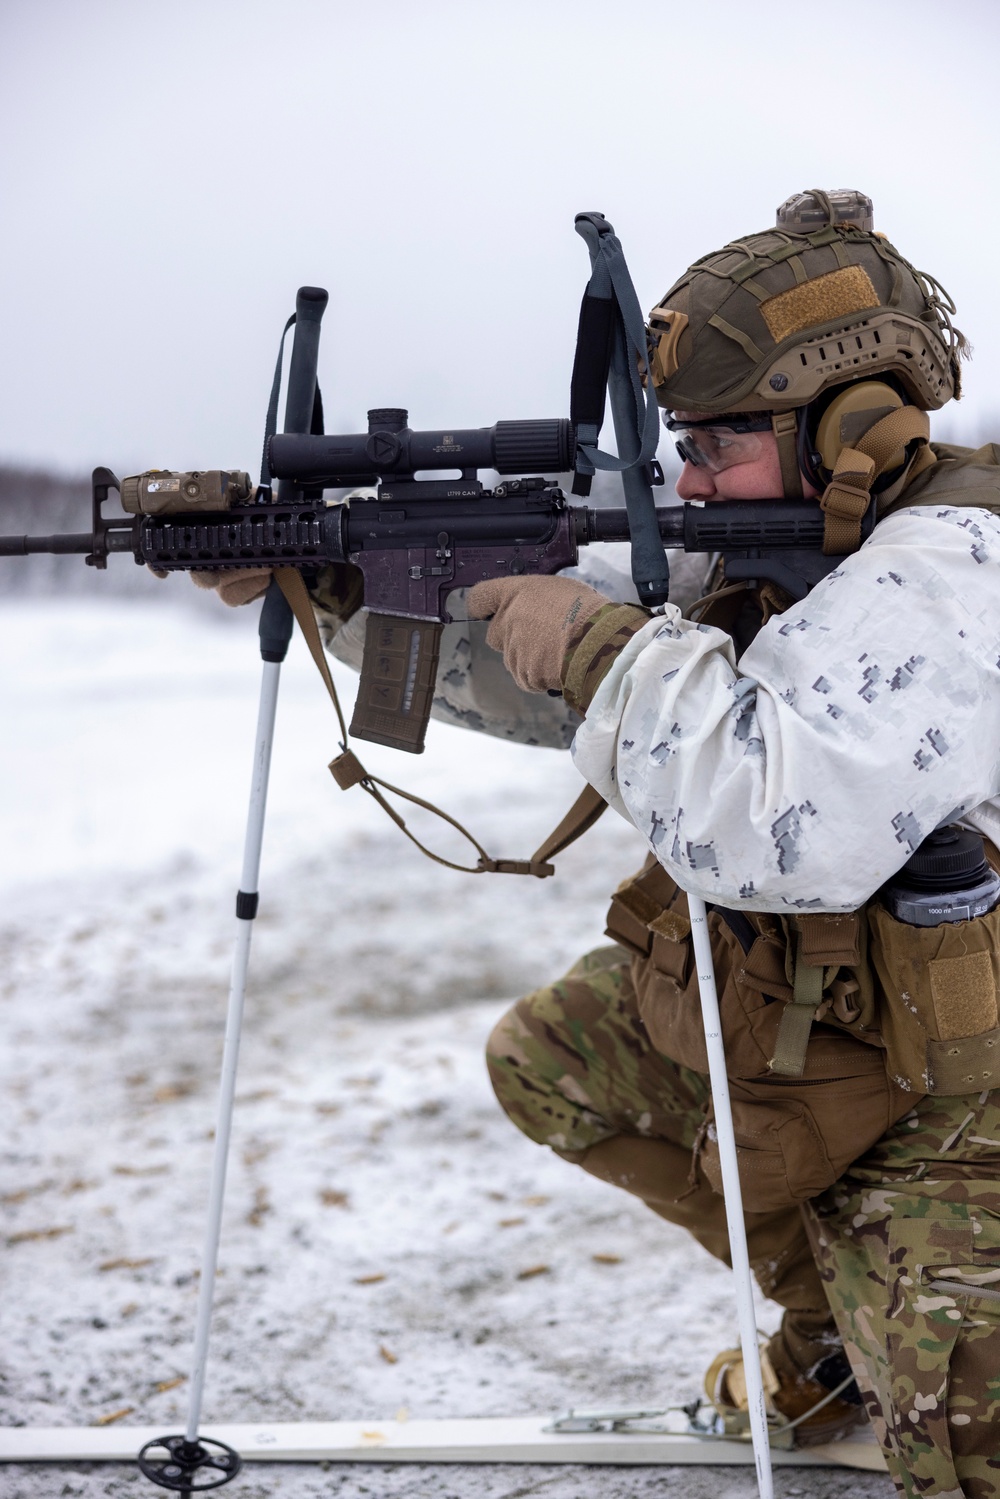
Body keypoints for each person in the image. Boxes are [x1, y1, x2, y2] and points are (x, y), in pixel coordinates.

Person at [200, 189, 1000, 1496]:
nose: (684, 478)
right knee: (554, 1062)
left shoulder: (952, 572)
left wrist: (596, 641)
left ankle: (891, 1320)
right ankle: (834, 1327)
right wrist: (347, 588)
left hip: (953, 1078)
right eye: (679, 441)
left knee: (967, 1467)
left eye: (717, 442)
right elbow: (572, 682)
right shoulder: (791, 538)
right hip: (796, 1000)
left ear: (853, 420)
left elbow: (765, 814)